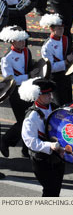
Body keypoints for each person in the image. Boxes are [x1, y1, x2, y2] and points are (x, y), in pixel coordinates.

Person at [19, 78, 65, 197]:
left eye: (50, 93)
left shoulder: (54, 107)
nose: (50, 96)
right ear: (38, 96)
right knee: (50, 190)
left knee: (56, 189)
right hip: (41, 159)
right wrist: (49, 145)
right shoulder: (32, 116)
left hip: (57, 156)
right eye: (46, 94)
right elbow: (30, 141)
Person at [0, 26, 35, 158]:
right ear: (12, 41)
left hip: (28, 89)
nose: (22, 42)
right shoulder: (7, 59)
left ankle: (27, 149)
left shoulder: (27, 52)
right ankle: (6, 140)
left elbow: (30, 67)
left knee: (31, 119)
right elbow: (10, 80)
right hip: (15, 93)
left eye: (23, 40)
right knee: (23, 121)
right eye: (19, 40)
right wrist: (28, 75)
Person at [40, 13, 73, 106]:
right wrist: (66, 61)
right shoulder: (46, 47)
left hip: (66, 75)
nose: (62, 30)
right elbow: (50, 67)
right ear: (52, 29)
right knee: (60, 104)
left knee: (69, 102)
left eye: (62, 28)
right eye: (59, 28)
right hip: (55, 79)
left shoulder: (66, 39)